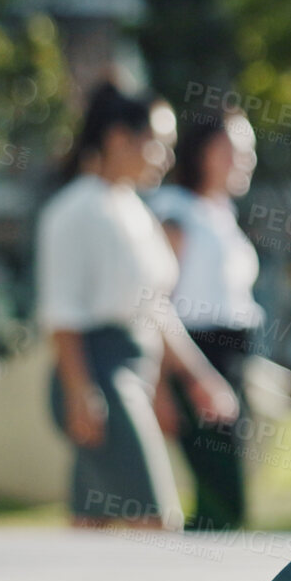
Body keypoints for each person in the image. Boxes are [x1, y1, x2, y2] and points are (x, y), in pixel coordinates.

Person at [36, 81, 241, 529]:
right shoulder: (74, 211)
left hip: (131, 374)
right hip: (96, 382)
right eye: (158, 144)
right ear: (118, 140)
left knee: (91, 523)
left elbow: (157, 309)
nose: (167, 158)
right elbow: (61, 314)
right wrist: (80, 394)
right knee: (155, 519)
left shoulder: (134, 210)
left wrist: (198, 376)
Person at [148, 108, 264, 530]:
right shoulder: (175, 211)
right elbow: (157, 305)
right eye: (235, 150)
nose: (245, 160)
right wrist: (164, 386)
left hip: (232, 360)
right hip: (196, 361)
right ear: (204, 151)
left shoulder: (221, 213)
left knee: (227, 498)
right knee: (222, 499)